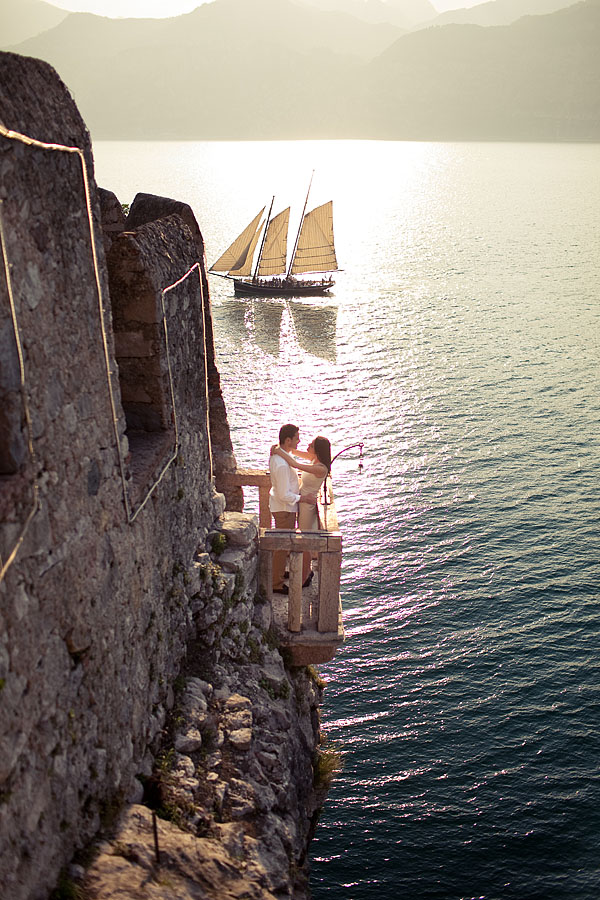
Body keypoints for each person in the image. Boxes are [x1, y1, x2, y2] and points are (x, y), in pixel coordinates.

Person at [271, 435, 331, 586]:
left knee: (304, 543)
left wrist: (278, 451)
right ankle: (307, 571)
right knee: (304, 539)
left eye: (311, 444)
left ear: (317, 450)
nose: (308, 445)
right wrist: (281, 446)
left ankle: (304, 578)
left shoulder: (320, 467)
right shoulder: (314, 459)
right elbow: (294, 453)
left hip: (307, 506)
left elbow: (295, 464)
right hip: (303, 502)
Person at [269, 424, 318, 595]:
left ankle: (279, 573)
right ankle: (275, 582)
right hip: (284, 508)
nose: (299, 440)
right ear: (288, 440)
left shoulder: (281, 456)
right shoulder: (282, 464)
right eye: (297, 438)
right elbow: (284, 494)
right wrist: (303, 498)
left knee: (281, 545)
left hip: (283, 507)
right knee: (281, 546)